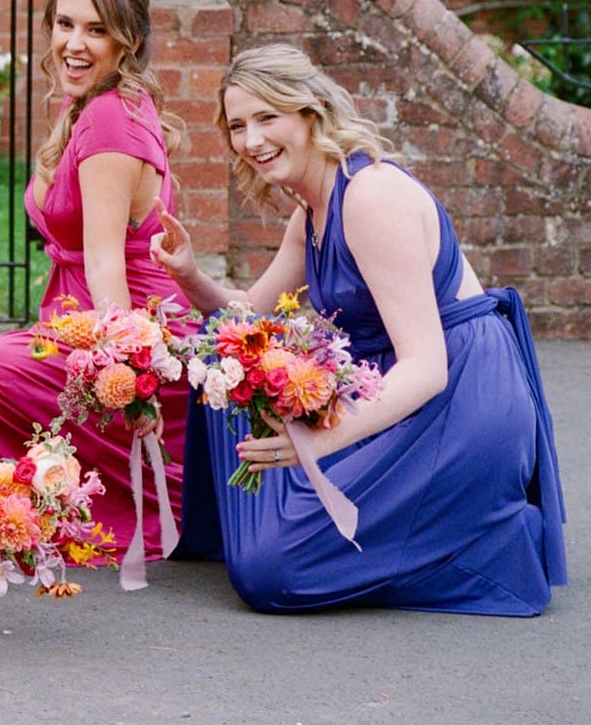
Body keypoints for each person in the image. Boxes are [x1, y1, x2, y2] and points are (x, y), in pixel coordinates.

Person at [156, 43, 567, 614]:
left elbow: (426, 367)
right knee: (222, 364)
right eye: (238, 126)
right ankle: (309, 525)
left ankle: (482, 537)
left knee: (270, 574)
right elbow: (248, 313)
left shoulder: (371, 196)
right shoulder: (310, 211)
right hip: (395, 390)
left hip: (461, 405)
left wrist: (314, 443)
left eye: (268, 117)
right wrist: (190, 275)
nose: (252, 140)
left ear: (310, 113)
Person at [0, 0, 191, 563]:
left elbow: (106, 264)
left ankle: (29, 514)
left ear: (128, 41)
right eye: (65, 24)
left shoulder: (107, 120)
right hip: (87, 316)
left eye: (96, 30)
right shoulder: (95, 105)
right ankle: (28, 511)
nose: (74, 43)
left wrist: (128, 380)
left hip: (123, 322)